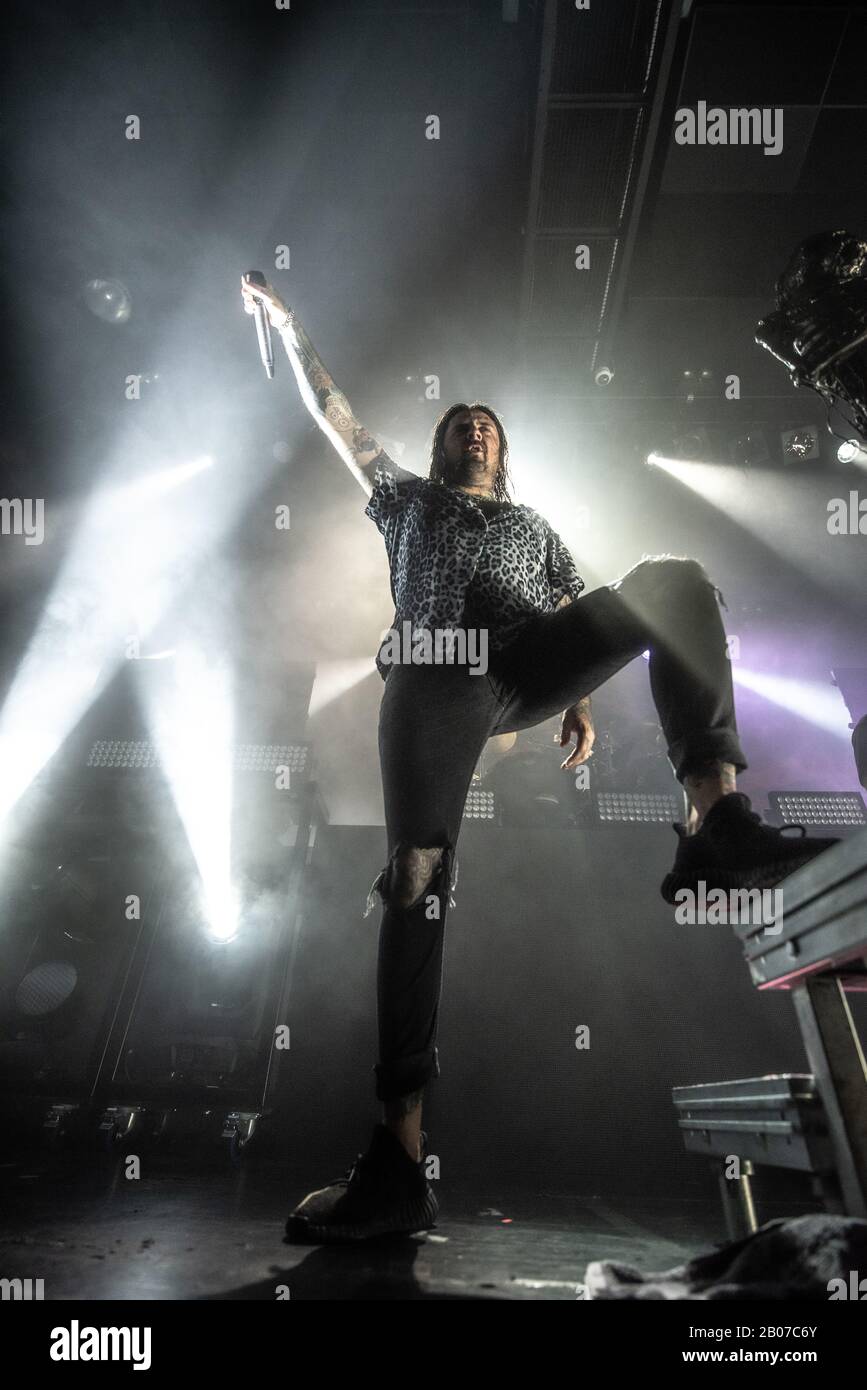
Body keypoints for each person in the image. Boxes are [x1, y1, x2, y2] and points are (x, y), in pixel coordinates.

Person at [241, 275, 839, 1244]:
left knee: (676, 583)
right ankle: (397, 1158)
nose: (474, 431)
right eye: (460, 424)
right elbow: (335, 413)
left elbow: (578, 611)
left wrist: (582, 699)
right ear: (440, 448)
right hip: (442, 666)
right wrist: (290, 323)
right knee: (418, 877)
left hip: (526, 662)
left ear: (504, 453)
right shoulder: (402, 499)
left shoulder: (536, 529)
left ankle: (717, 825)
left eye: (488, 426)